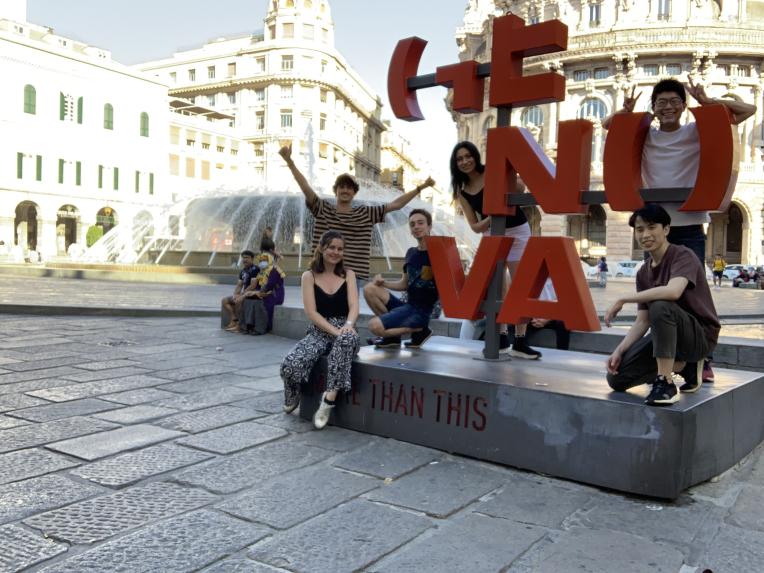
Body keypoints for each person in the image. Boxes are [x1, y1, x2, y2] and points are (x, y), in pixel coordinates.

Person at [605, 78, 753, 384]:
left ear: (684, 107)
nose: (668, 107)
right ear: (654, 109)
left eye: (674, 101)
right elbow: (609, 126)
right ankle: (675, 361)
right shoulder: (646, 135)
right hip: (658, 225)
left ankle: (701, 359)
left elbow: (747, 110)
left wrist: (710, 102)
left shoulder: (694, 131)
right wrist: (624, 111)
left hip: (689, 223)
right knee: (659, 297)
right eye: (661, 102)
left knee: (692, 296)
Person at [604, 204, 720, 406]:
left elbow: (673, 292)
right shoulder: (643, 272)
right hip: (666, 333)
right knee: (617, 379)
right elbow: (643, 321)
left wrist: (623, 298)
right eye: (639, 230)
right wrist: (619, 350)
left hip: (698, 336)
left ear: (666, 229)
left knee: (660, 304)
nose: (645, 235)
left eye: (651, 227)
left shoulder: (683, 255)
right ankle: (686, 367)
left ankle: (665, 382)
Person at [279, 145, 435, 283]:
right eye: (342, 187)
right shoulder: (323, 209)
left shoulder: (366, 213)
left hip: (354, 277)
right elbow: (306, 187)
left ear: (354, 193)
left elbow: (396, 204)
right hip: (323, 274)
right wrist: (289, 162)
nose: (345, 190)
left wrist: (421, 188)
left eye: (349, 188)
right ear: (336, 191)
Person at [450, 140, 541, 359]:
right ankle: (500, 337)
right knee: (498, 288)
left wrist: (510, 177)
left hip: (518, 231)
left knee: (521, 286)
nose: (465, 161)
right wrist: (494, 216)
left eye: (468, 156)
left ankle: (520, 340)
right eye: (460, 158)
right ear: (455, 163)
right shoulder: (461, 191)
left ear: (475, 156)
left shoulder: (492, 171)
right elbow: (474, 226)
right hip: (493, 235)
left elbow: (520, 189)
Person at [280, 230, 360, 430]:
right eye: (332, 247)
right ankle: (292, 393)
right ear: (322, 248)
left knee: (347, 341)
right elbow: (311, 312)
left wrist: (348, 326)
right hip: (319, 329)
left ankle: (328, 400)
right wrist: (335, 331)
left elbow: (354, 306)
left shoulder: (348, 274)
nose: (336, 252)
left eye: (340, 249)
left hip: (345, 328)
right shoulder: (309, 276)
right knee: (291, 365)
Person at [363, 209, 439, 349]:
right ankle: (393, 338)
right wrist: (383, 283)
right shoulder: (411, 253)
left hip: (421, 311)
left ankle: (420, 330)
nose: (416, 227)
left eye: (420, 223)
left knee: (374, 326)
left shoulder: (438, 252)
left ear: (429, 226)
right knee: (369, 289)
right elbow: (404, 284)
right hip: (407, 306)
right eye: (412, 224)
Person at [240, 236, 285, 335]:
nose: (261, 262)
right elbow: (258, 284)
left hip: (274, 295)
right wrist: (250, 292)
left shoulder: (275, 270)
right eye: (260, 260)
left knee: (260, 303)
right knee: (248, 300)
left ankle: (262, 328)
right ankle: (248, 325)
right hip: (266, 293)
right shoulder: (262, 271)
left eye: (264, 260)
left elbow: (270, 285)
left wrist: (257, 292)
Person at [221, 250, 256, 333]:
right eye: (243, 258)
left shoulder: (255, 269)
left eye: (247, 258)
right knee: (225, 300)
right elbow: (239, 285)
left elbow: (253, 285)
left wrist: (242, 295)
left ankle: (239, 326)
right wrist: (236, 294)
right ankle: (234, 319)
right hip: (244, 294)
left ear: (252, 259)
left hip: (252, 294)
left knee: (238, 301)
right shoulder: (243, 271)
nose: (245, 260)